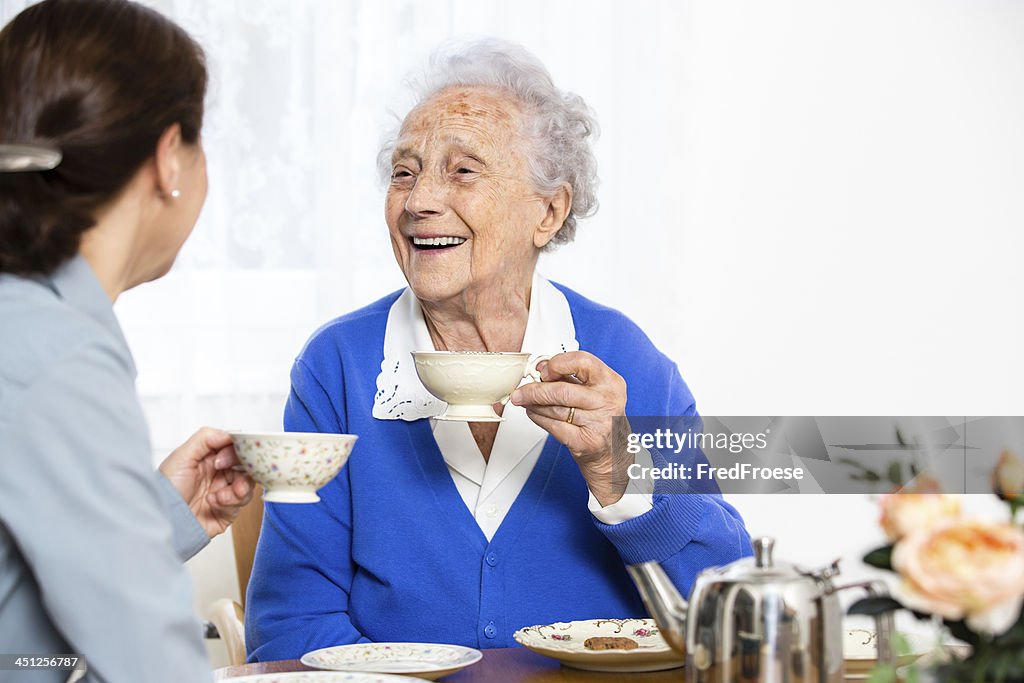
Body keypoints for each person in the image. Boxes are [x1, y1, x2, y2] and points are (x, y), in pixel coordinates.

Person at [245, 39, 751, 660]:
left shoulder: (623, 357)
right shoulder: (338, 366)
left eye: (462, 170)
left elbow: (728, 605)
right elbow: (292, 625)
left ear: (549, 210)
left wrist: (620, 475)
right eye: (404, 172)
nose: (419, 201)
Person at [0, 1, 255, 681]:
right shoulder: (57, 355)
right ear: (170, 157)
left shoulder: (25, 322)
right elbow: (152, 662)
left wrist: (160, 515)